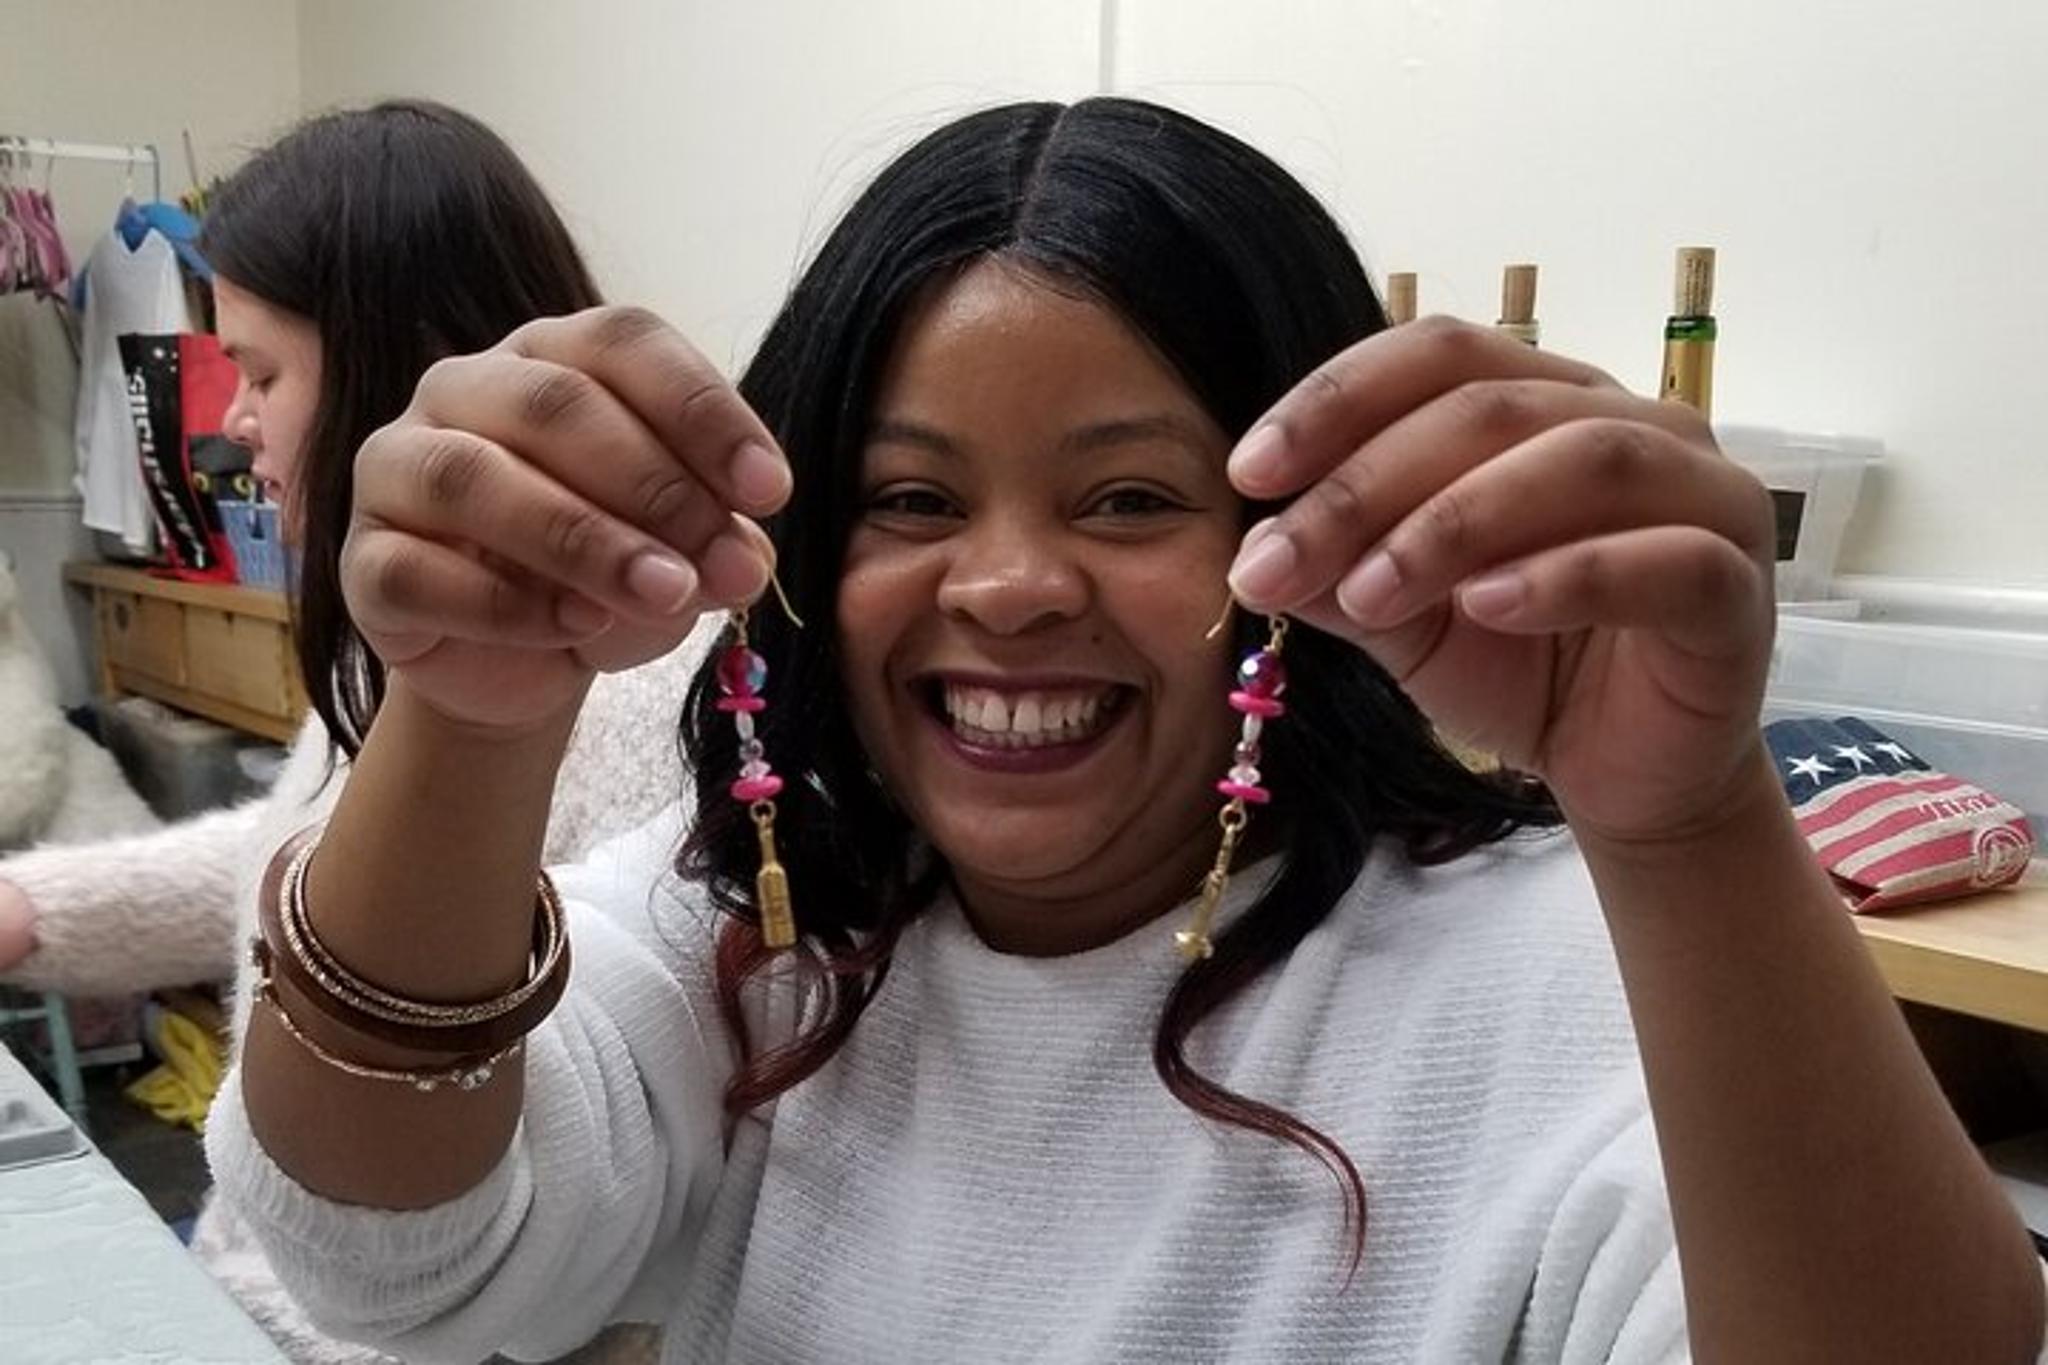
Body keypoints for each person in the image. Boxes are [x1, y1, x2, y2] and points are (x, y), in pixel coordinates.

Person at [208, 98, 2044, 1363]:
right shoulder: (760, 935)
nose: (1008, 588)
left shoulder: (1541, 988)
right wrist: (463, 715)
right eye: (911, 503)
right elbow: (384, 1258)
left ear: (1301, 541)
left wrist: (1690, 830)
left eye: (1127, 501)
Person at [0, 101, 689, 1365]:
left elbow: (541, 1204)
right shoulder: (395, 650)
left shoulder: (629, 691)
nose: (231, 426)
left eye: (261, 375)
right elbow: (295, 872)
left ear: (409, 362)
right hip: (267, 1276)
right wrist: (29, 910)